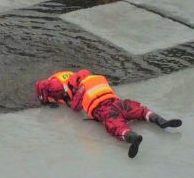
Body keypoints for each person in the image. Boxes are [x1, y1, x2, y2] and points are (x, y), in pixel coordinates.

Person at [38, 68, 181, 159]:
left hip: (104, 109)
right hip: (118, 102)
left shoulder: (82, 86)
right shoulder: (100, 78)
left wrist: (69, 100)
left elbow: (76, 107)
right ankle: (159, 120)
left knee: (117, 126)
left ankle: (132, 137)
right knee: (140, 110)